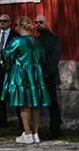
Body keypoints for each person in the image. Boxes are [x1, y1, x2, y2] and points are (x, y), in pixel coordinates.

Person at [3, 16, 50, 144]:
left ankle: (27, 133)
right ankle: (36, 133)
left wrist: (8, 66)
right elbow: (42, 57)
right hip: (36, 72)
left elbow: (6, 55)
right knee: (36, 103)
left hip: (22, 72)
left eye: (17, 25)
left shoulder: (17, 41)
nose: (15, 28)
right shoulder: (37, 41)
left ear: (21, 26)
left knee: (24, 102)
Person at [35, 15, 62, 139]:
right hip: (37, 75)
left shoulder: (54, 39)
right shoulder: (36, 40)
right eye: (36, 22)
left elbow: (55, 57)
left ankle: (55, 128)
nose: (38, 24)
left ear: (47, 23)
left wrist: (46, 71)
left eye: (41, 22)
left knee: (52, 102)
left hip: (49, 75)